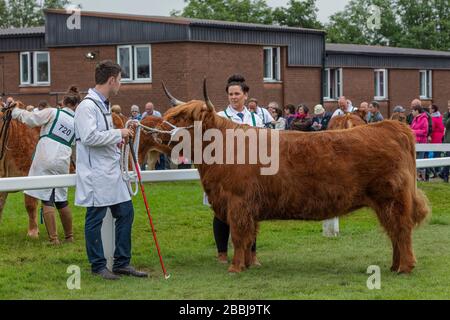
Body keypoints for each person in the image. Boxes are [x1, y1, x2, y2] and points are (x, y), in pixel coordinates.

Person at [74, 60, 148, 280]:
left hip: (111, 172)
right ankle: (98, 265)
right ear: (112, 80)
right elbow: (89, 137)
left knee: (126, 213)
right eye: (120, 80)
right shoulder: (87, 106)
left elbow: (101, 136)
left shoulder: (102, 104)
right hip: (96, 174)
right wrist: (120, 134)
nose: (121, 85)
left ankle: (122, 263)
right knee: (94, 218)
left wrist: (122, 133)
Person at [10, 86, 80, 245]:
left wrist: (15, 111)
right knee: (61, 199)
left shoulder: (54, 112)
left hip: (45, 155)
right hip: (63, 159)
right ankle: (69, 237)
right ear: (76, 105)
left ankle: (54, 239)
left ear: (63, 101)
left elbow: (32, 119)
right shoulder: (77, 122)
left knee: (47, 198)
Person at [215, 74, 263, 265]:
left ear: (245, 94)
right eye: (230, 94)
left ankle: (251, 253)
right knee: (222, 213)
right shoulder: (220, 117)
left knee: (250, 212)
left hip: (250, 174)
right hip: (225, 173)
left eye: (237, 94)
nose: (233, 97)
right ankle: (222, 253)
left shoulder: (256, 117)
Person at [410, 104, 429, 181]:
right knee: (415, 160)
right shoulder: (415, 119)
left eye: (413, 111)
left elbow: (425, 132)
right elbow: (411, 128)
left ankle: (422, 178)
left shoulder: (424, 119)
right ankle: (416, 177)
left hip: (421, 143)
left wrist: (413, 131)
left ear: (417, 111)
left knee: (420, 160)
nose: (411, 112)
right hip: (415, 142)